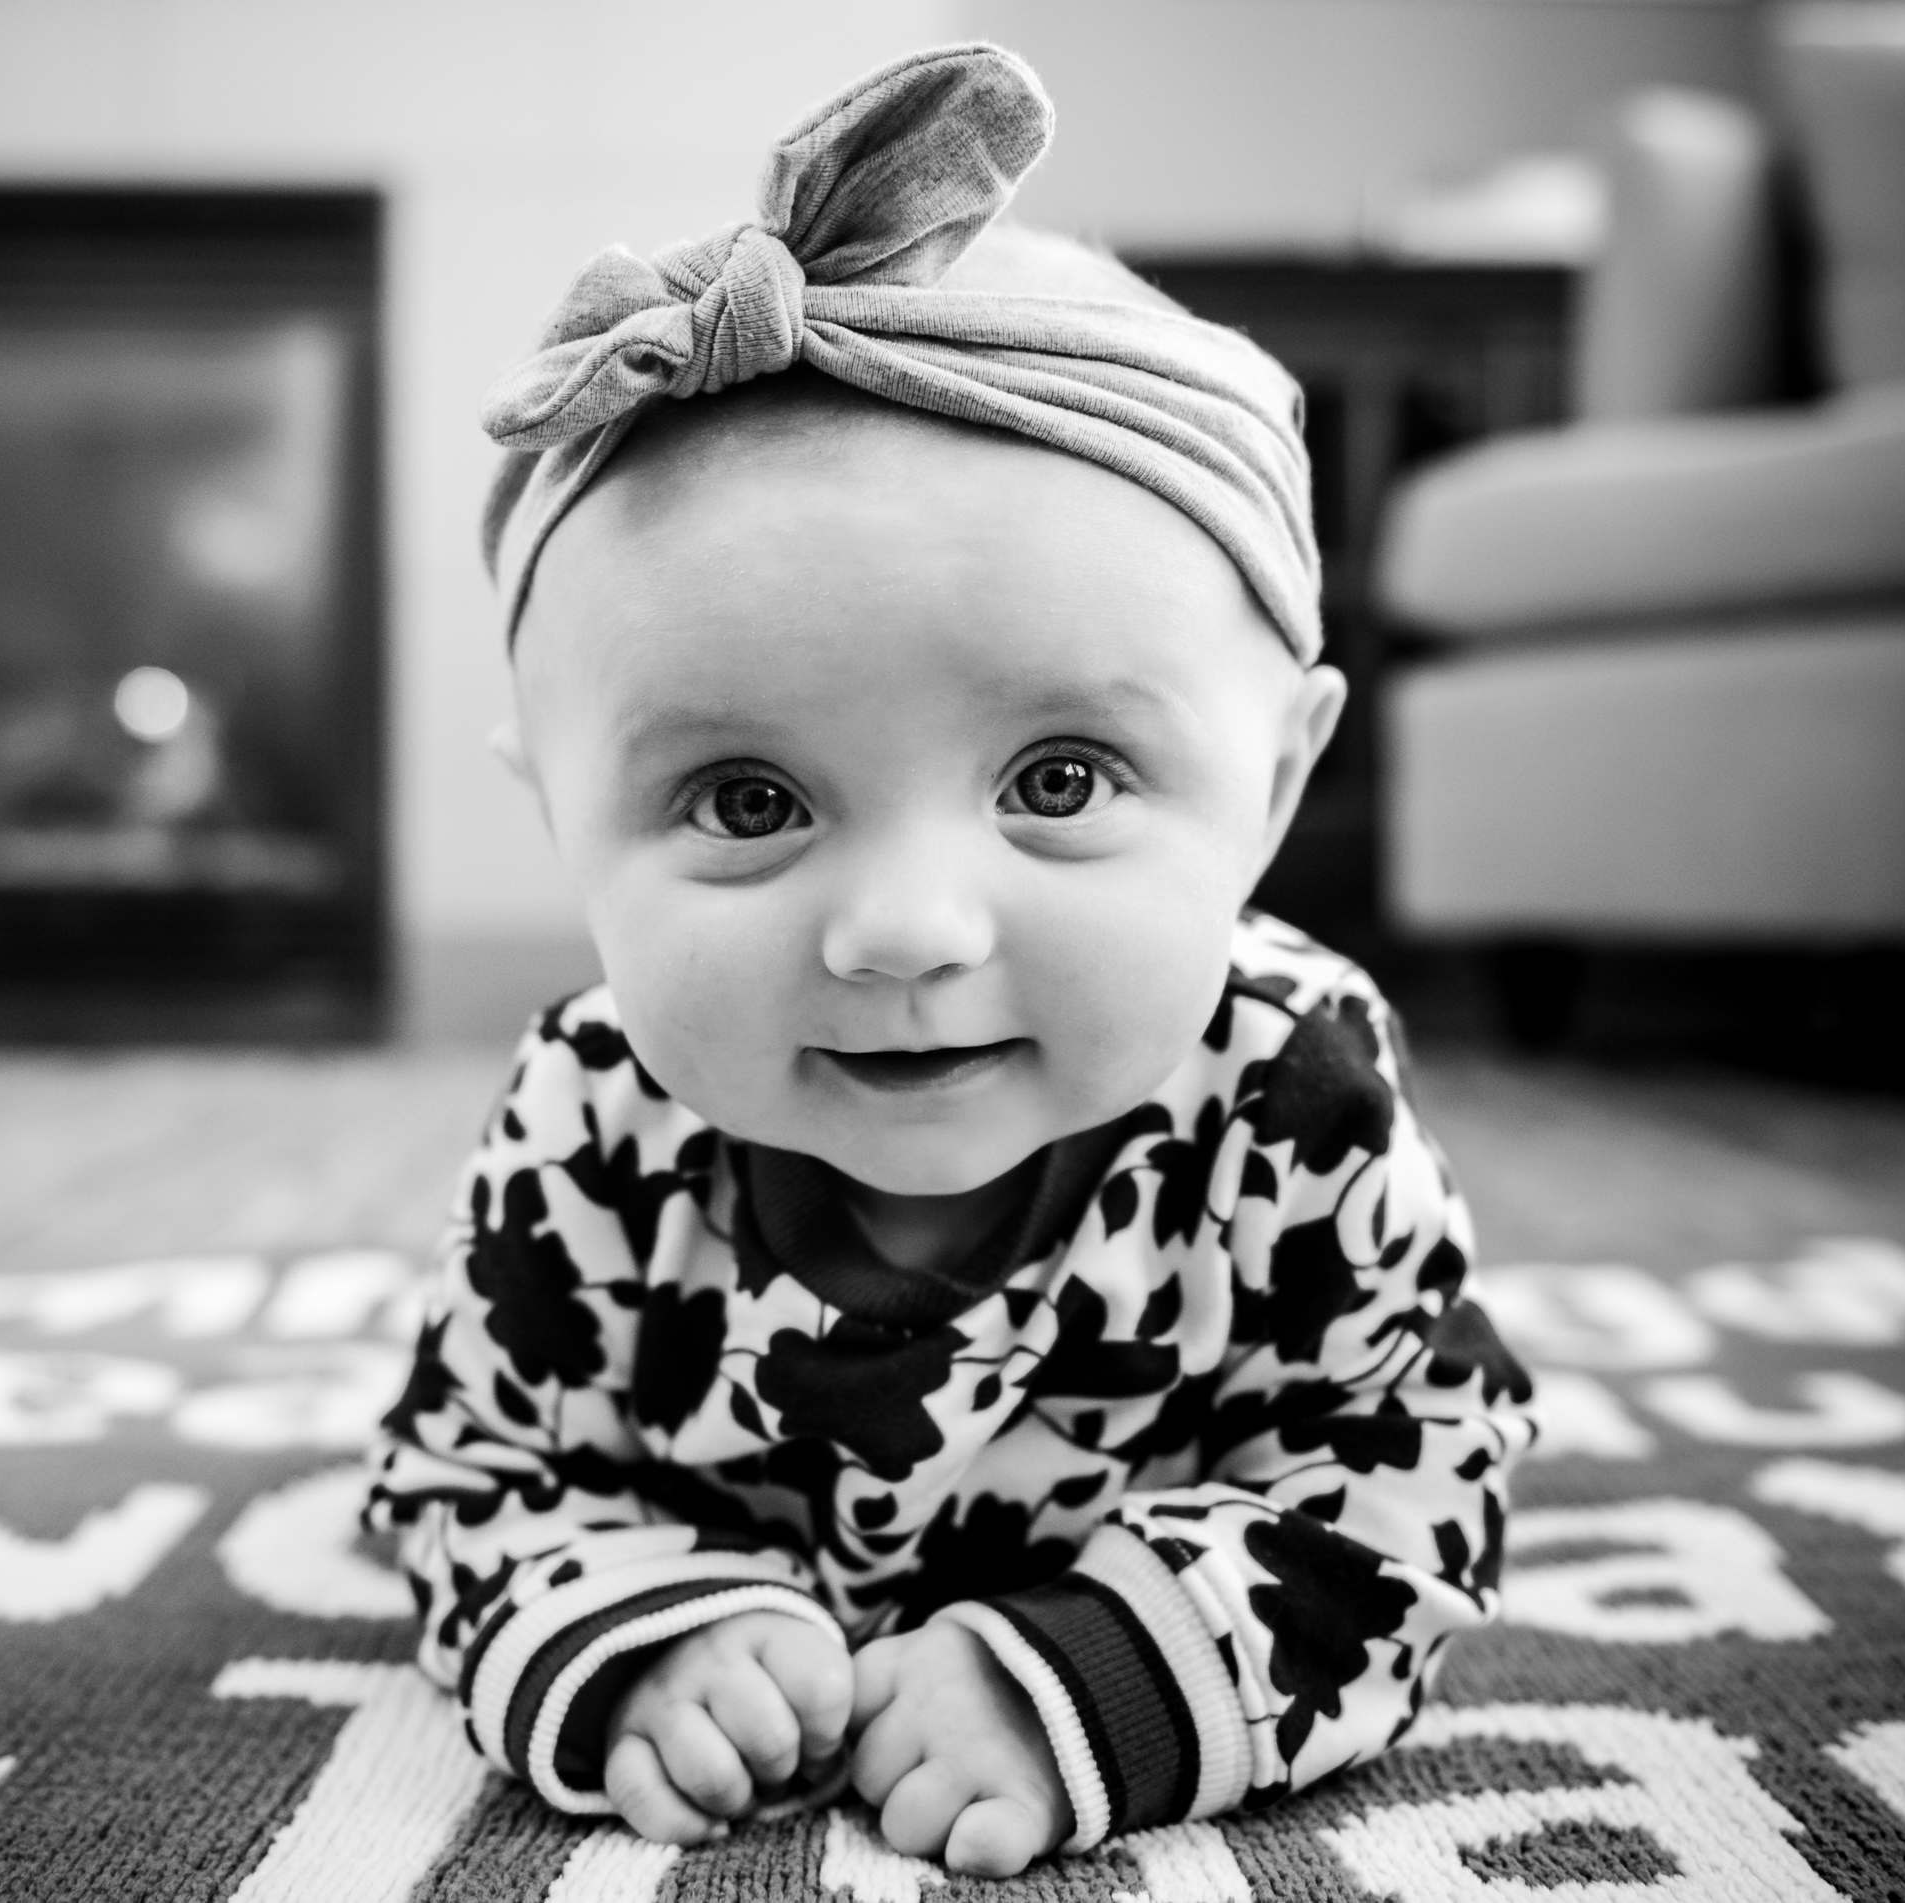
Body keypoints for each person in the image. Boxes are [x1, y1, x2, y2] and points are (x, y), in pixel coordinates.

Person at [367, 43, 1534, 1879]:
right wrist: (634, 1632)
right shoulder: (595, 1116)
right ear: (559, 823)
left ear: (1275, 784)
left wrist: (1110, 1672)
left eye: (1058, 780)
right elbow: (467, 1476)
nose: (906, 929)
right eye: (745, 800)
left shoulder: (1293, 1092)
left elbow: (1405, 1467)